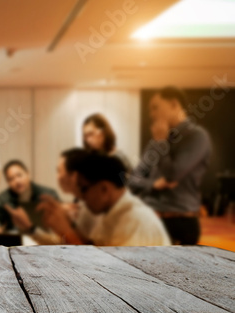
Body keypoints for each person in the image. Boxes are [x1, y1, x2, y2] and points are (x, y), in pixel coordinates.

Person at [129, 86, 212, 245]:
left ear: (174, 104)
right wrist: (153, 184)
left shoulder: (196, 137)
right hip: (148, 218)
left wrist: (161, 142)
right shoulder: (156, 141)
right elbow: (133, 180)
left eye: (155, 108)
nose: (152, 114)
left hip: (179, 221)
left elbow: (172, 174)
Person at [40, 152, 171, 246]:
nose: (83, 198)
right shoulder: (112, 213)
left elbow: (106, 273)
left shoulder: (134, 219)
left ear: (104, 189)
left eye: (84, 189)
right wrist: (65, 226)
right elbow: (94, 247)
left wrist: (67, 231)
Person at [0, 160, 61, 244]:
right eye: (11, 179)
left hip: (44, 242)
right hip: (16, 243)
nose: (17, 181)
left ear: (28, 173)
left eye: (19, 175)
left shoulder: (48, 195)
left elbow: (61, 228)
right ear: (8, 183)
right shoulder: (4, 198)